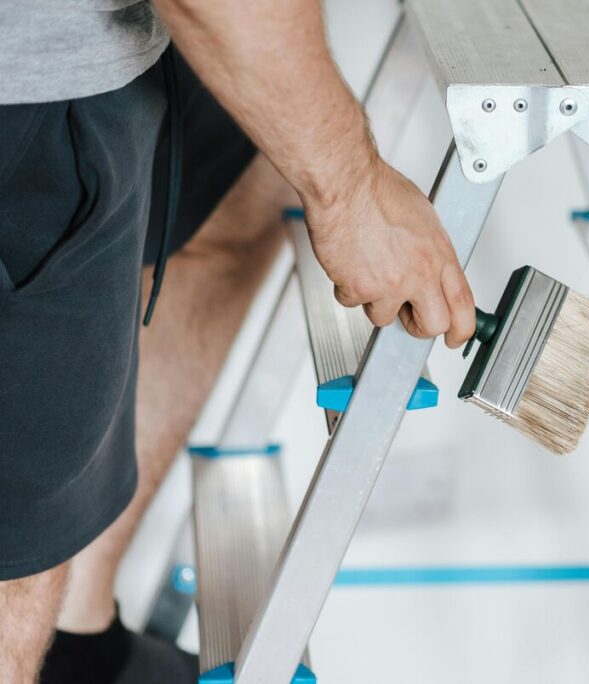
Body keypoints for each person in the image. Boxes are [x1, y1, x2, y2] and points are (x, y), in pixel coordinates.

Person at [0, 1, 477, 682]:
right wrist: (351, 190)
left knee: (237, 187)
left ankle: (74, 642)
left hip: (116, 40)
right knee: (12, 560)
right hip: (25, 91)